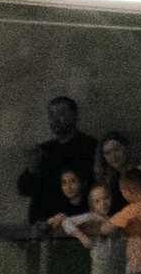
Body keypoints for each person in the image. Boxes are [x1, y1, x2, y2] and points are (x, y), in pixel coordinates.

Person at [19, 96, 100, 224]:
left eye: (61, 113)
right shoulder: (43, 150)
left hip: (77, 224)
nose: (55, 119)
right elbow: (25, 190)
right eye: (51, 114)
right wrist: (31, 169)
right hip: (43, 225)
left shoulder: (90, 146)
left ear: (74, 116)